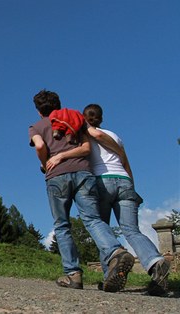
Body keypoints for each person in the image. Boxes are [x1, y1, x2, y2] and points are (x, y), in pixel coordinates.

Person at [28, 89, 134, 292]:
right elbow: (87, 147)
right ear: (58, 104)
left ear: (39, 111)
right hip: (84, 173)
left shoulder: (37, 126)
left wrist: (47, 163)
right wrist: (121, 152)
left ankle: (73, 275)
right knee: (93, 219)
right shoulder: (75, 116)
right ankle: (115, 251)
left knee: (62, 225)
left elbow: (40, 146)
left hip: (56, 177)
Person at [83, 104, 170, 296]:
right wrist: (132, 187)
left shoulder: (87, 132)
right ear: (101, 118)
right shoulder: (116, 136)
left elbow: (96, 136)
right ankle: (156, 263)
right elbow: (126, 164)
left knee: (102, 229)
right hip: (124, 181)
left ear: (85, 118)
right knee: (131, 230)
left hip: (102, 181)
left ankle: (110, 275)